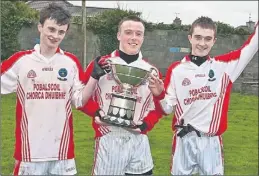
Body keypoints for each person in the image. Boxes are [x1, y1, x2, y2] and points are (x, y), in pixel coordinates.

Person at [1, 3, 103, 175]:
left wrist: (94, 77)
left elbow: (79, 101)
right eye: (51, 29)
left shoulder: (70, 62)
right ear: (40, 27)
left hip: (62, 153)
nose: (55, 36)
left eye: (61, 32)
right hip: (29, 153)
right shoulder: (21, 61)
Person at [148, 16, 258, 175]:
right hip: (183, 139)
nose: (202, 43)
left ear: (214, 41)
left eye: (208, 39)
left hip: (210, 141)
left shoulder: (224, 67)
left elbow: (251, 47)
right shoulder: (177, 70)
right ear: (190, 38)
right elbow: (167, 109)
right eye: (198, 37)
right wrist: (159, 94)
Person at [80, 15, 164, 175]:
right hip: (109, 137)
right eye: (128, 32)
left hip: (139, 141)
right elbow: (80, 97)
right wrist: (96, 112)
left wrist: (147, 124)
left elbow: (158, 107)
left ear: (143, 38)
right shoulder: (102, 63)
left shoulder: (151, 70)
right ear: (119, 35)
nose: (133, 38)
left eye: (138, 34)